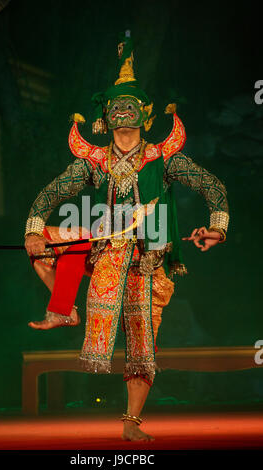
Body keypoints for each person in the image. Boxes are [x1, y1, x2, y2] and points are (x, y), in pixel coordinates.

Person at [24, 33, 229, 441]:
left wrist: (217, 228)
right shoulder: (95, 162)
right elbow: (52, 194)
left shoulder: (162, 157)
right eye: (115, 106)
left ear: (144, 114)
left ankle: (131, 425)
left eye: (129, 105)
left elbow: (212, 187)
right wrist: (33, 229)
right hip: (103, 254)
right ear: (105, 115)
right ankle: (63, 307)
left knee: (142, 347)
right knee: (40, 238)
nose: (121, 111)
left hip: (149, 264)